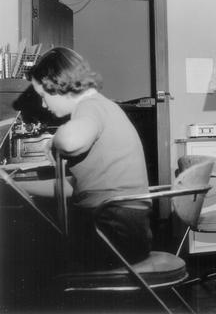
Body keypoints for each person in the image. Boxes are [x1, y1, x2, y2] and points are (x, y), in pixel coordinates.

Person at [23, 47, 152, 270]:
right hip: (131, 230)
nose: (44, 105)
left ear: (57, 84)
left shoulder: (91, 107)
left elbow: (71, 141)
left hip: (113, 229)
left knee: (31, 253)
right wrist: (14, 183)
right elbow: (76, 188)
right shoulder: (103, 107)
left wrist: (51, 142)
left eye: (43, 96)